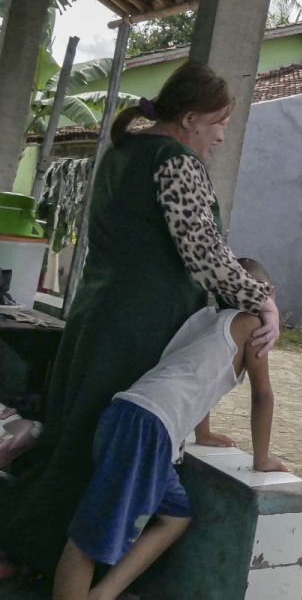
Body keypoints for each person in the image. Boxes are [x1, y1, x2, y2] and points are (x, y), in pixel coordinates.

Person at [0, 61, 279, 573]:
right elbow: (206, 256)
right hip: (138, 326)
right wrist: (263, 300)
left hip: (97, 314)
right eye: (218, 123)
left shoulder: (122, 152)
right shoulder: (175, 162)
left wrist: (202, 429)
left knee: (71, 434)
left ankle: (24, 546)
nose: (220, 135)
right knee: (93, 451)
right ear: (191, 118)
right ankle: (34, 554)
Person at [52, 259, 287, 600]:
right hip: (146, 428)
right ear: (271, 294)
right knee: (92, 537)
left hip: (134, 420)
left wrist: (203, 434)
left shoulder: (206, 321)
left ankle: (102, 594)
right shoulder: (254, 326)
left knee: (176, 515)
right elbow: (262, 395)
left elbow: (198, 379)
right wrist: (262, 457)